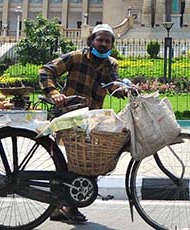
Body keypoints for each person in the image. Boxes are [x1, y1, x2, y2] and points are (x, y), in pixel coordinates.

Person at [38, 23, 125, 223]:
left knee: (87, 162)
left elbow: (113, 84)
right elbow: (46, 71)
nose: (103, 44)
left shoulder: (110, 64)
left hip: (90, 120)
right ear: (91, 41)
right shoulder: (76, 57)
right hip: (68, 115)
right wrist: (54, 93)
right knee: (72, 164)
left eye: (107, 41)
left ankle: (63, 206)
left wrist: (123, 90)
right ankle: (66, 206)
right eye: (99, 40)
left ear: (111, 44)